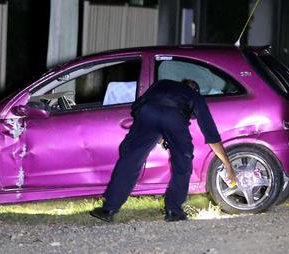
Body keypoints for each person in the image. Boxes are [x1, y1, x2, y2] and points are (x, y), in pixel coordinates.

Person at [89, 79, 237, 222]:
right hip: (174, 117)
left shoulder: (162, 84)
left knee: (130, 159)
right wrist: (228, 165)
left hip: (147, 112)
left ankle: (108, 209)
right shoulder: (195, 96)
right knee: (182, 163)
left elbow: (140, 105)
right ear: (195, 90)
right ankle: (174, 211)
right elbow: (212, 136)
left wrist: (157, 135)